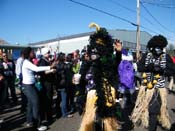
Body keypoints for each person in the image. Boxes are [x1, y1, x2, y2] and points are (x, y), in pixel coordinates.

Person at [79, 23, 120, 131]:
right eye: (94, 48)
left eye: (99, 48)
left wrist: (119, 53)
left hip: (106, 95)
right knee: (93, 122)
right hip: (91, 95)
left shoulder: (107, 62)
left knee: (106, 122)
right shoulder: (88, 63)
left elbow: (115, 66)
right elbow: (81, 79)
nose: (95, 51)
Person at [131, 35, 175, 131]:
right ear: (152, 46)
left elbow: (172, 70)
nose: (158, 49)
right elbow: (139, 67)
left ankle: (152, 127)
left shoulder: (166, 57)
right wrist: (148, 67)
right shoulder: (147, 55)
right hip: (146, 88)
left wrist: (162, 70)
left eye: (160, 47)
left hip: (159, 89)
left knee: (154, 111)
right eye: (156, 47)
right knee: (146, 109)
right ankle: (147, 122)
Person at [22, 47, 55, 131]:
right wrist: (49, 67)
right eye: (32, 52)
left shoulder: (28, 61)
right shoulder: (26, 62)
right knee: (36, 103)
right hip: (28, 86)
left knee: (30, 104)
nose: (34, 53)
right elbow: (36, 69)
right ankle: (38, 125)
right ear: (28, 53)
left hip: (30, 85)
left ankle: (30, 121)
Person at [38, 47, 55, 123]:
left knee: (49, 100)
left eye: (49, 52)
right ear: (44, 53)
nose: (49, 54)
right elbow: (43, 72)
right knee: (47, 100)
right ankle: (48, 117)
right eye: (47, 53)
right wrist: (52, 70)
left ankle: (49, 116)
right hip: (46, 83)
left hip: (49, 82)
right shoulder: (42, 61)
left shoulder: (46, 60)